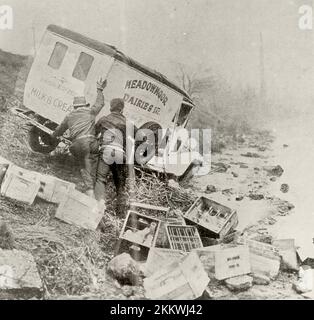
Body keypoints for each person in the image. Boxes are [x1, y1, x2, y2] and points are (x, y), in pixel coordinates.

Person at [51, 78, 107, 198]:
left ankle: (88, 187)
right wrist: (100, 89)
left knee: (83, 164)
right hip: (92, 143)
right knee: (94, 164)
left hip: (77, 145)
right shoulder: (90, 111)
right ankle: (94, 188)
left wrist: (53, 135)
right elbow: (100, 103)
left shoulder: (69, 116)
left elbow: (59, 130)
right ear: (85, 105)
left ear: (75, 107)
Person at [94, 98, 137, 215]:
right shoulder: (128, 123)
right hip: (120, 154)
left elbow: (94, 133)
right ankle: (120, 212)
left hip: (106, 151)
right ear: (122, 110)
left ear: (110, 107)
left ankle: (97, 207)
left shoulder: (104, 119)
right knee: (120, 183)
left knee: (100, 179)